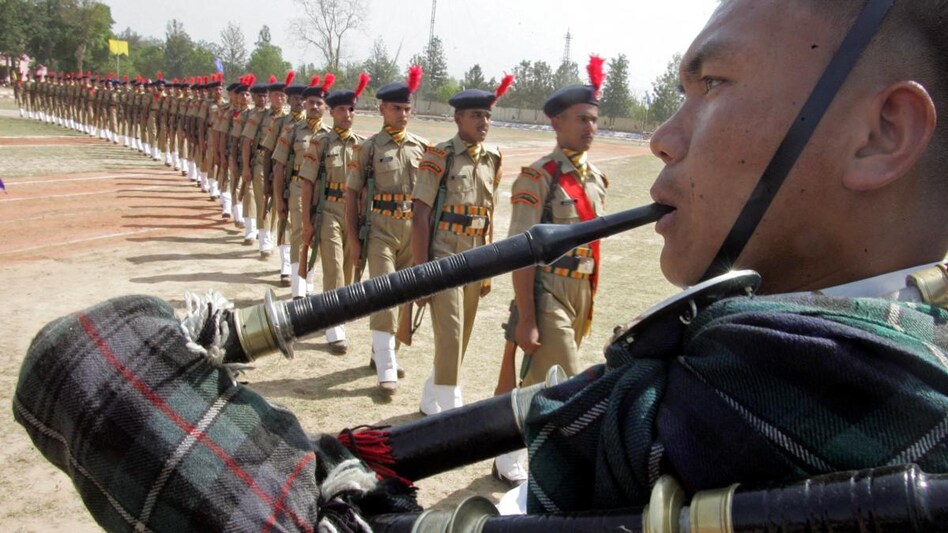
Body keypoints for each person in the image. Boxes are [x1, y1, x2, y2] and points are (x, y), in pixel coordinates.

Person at [11, 1, 948, 529]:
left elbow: (90, 359)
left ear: (881, 134)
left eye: (714, 85)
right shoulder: (882, 375)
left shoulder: (726, 409)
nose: (663, 136)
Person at [410, 77, 512, 415]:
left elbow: (489, 214)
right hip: (443, 257)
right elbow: (421, 215)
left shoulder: (493, 159)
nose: (484, 123)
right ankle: (452, 411)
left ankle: (430, 396)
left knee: (461, 339)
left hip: (477, 258)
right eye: (475, 116)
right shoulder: (439, 156)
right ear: (457, 119)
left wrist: (490, 270)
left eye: (487, 116)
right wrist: (421, 271)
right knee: (451, 335)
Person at [346, 67, 429, 394]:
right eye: (397, 108)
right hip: (379, 228)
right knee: (384, 291)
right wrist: (354, 239)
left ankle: (382, 351)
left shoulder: (422, 147)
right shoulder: (368, 149)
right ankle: (386, 363)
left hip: (412, 230)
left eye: (407, 108)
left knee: (406, 293)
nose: (403, 114)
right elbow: (352, 195)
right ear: (382, 109)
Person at [297, 74, 370, 354]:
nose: (348, 114)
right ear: (332, 111)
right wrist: (306, 222)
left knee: (351, 266)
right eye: (342, 109)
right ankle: (333, 324)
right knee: (333, 265)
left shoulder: (362, 146)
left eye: (352, 109)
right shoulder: (319, 143)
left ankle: (339, 310)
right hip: (328, 210)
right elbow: (307, 183)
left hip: (353, 213)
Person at [272, 74, 333, 294]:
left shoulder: (330, 135)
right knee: (299, 232)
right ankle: (298, 289)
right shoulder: (292, 131)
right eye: (311, 103)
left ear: (325, 107)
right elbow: (279, 167)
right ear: (305, 105)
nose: (315, 107)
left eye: (319, 103)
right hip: (297, 186)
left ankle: (308, 282)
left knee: (316, 233)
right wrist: (279, 198)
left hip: (322, 191)